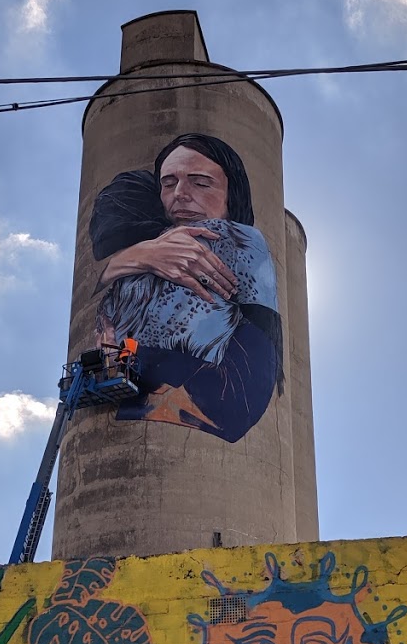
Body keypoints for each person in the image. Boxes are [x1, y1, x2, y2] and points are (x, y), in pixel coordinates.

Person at [88, 133, 282, 443]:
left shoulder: (230, 239)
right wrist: (137, 256)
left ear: (234, 194)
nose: (180, 194)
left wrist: (138, 358)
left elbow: (237, 404)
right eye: (168, 183)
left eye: (201, 183)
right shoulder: (153, 246)